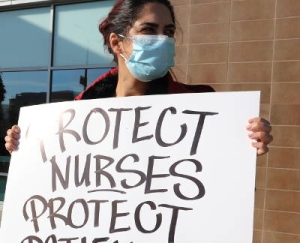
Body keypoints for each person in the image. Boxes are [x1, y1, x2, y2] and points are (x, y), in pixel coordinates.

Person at [4, 0, 273, 155]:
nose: (162, 40)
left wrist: (244, 143)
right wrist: (24, 144)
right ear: (117, 43)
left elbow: (218, 177)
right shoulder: (75, 114)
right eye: (148, 30)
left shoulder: (202, 106)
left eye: (168, 32)